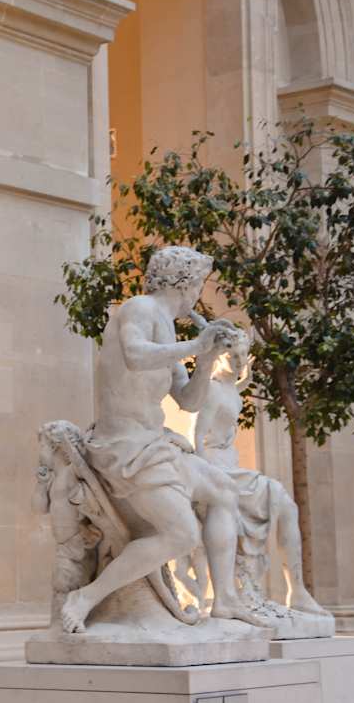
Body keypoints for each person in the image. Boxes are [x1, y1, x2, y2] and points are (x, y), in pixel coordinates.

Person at [58, 246, 273, 633]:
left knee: (225, 492)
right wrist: (197, 345)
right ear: (185, 283)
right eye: (199, 285)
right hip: (123, 445)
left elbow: (189, 401)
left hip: (153, 442)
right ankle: (85, 598)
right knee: (181, 534)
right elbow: (136, 355)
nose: (198, 295)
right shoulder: (139, 308)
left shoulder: (168, 329)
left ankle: (225, 600)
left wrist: (206, 359)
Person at [194, 331, 327, 615]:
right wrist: (206, 481)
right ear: (219, 357)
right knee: (283, 501)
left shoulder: (230, 388)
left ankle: (298, 591)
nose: (240, 361)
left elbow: (233, 393)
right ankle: (295, 591)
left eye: (243, 355)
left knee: (287, 506)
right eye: (233, 356)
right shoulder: (212, 390)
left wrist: (244, 381)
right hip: (216, 469)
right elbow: (197, 437)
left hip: (230, 467)